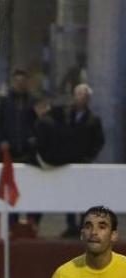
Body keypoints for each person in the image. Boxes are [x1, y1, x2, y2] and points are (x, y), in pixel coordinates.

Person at [34, 84, 105, 238]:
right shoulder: (66, 116)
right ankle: (70, 224)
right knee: (69, 193)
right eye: (79, 95)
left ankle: (82, 225)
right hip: (67, 160)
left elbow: (99, 141)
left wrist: (89, 157)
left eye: (84, 96)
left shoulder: (93, 119)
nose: (81, 99)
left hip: (83, 163)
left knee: (82, 194)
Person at [0, 69, 37, 164]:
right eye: (17, 81)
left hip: (28, 144)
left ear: (26, 82)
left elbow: (37, 121)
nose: (19, 84)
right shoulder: (6, 101)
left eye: (22, 81)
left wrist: (34, 136)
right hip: (10, 144)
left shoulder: (33, 100)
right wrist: (2, 139)